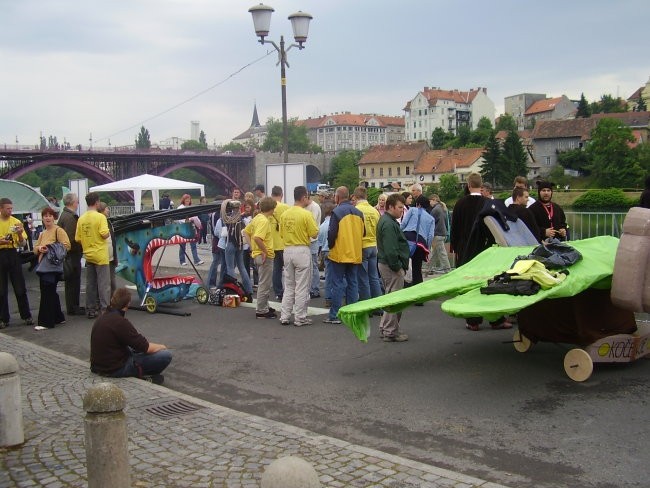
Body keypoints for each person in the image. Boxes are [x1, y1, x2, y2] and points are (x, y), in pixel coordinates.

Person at [450, 173, 511, 331]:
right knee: (490, 282)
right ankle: (496, 319)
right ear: (481, 185)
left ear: (468, 185)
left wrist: (455, 249)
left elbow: (454, 229)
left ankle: (473, 320)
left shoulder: (460, 204)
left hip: (465, 248)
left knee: (469, 284)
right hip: (485, 249)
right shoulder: (487, 204)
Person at [90, 288, 172, 384]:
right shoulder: (120, 322)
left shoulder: (102, 317)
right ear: (127, 304)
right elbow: (145, 347)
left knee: (131, 347)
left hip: (98, 366)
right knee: (165, 355)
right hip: (115, 369)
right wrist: (162, 347)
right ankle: (144, 375)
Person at [279, 186, 319, 327]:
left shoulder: (284, 214)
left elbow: (282, 234)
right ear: (303, 197)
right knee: (301, 287)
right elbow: (314, 233)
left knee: (289, 285)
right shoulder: (306, 214)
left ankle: (284, 316)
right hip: (302, 250)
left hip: (287, 250)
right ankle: (300, 317)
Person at [324, 186, 365, 325]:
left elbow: (331, 234)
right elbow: (363, 233)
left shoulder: (337, 212)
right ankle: (352, 312)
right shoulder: (359, 213)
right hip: (355, 253)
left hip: (340, 254)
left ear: (337, 197)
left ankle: (335, 314)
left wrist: (330, 247)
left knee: (337, 283)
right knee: (353, 282)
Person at [377, 193, 410, 342]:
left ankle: (386, 327)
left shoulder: (387, 220)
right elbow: (391, 249)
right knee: (394, 299)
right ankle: (390, 331)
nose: (402, 211)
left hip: (386, 263)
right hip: (391, 265)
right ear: (390, 207)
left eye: (403, 208)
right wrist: (398, 267)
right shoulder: (389, 224)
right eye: (400, 208)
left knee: (391, 296)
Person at [33, 207, 71, 330]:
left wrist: (50, 248)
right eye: (45, 216)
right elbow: (35, 248)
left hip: (53, 266)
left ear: (54, 217)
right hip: (43, 266)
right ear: (42, 218)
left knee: (47, 293)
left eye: (50, 215)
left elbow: (67, 245)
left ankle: (46, 322)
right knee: (50, 292)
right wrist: (40, 249)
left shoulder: (58, 231)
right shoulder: (42, 233)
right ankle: (58, 317)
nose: (48, 218)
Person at [75, 192, 111, 319]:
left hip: (88, 254)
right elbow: (104, 234)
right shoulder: (100, 218)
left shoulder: (81, 218)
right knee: (103, 284)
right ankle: (105, 308)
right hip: (100, 254)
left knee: (90, 284)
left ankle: (90, 309)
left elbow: (78, 238)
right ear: (97, 202)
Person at [0, 198, 34, 329]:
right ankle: (3, 318)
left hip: (13, 253)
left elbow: (23, 243)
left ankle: (26, 315)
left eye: (11, 208)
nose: (10, 211)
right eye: (7, 208)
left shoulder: (16, 222)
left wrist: (20, 234)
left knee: (19, 286)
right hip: (1, 253)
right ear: (1, 208)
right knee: (1, 289)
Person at [244, 196, 277, 319]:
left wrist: (252, 247)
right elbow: (258, 237)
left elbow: (246, 232)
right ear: (271, 208)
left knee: (263, 281)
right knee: (265, 283)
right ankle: (261, 309)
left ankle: (264, 305)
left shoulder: (257, 218)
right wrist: (264, 250)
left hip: (256, 254)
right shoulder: (264, 221)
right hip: (265, 255)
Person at [353, 187, 382, 310]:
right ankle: (378, 306)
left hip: (362, 246)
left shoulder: (356, 210)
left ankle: (367, 306)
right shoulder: (374, 210)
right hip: (373, 245)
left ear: (355, 197)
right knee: (374, 277)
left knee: (363, 278)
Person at [400, 195, 435, 299]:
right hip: (421, 244)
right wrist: (427, 248)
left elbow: (404, 223)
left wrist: (399, 235)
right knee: (417, 269)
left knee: (403, 266)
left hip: (407, 239)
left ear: (418, 204)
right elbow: (430, 236)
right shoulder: (431, 218)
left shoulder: (412, 210)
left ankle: (403, 292)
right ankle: (418, 297)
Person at [57, 192, 84, 315]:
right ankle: (74, 306)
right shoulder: (71, 217)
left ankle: (72, 306)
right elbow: (72, 238)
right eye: (77, 201)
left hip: (67, 253)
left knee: (70, 281)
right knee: (74, 280)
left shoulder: (63, 215)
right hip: (72, 253)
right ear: (73, 203)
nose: (78, 204)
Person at [222, 199, 253, 302]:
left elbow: (223, 218)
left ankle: (232, 291)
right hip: (240, 245)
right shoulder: (241, 219)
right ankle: (249, 290)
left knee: (230, 267)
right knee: (242, 267)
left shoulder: (229, 219)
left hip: (230, 243)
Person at [270, 186, 289, 300]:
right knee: (288, 269)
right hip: (285, 242)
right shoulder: (285, 207)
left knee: (276, 269)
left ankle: (278, 292)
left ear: (272, 195)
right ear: (281, 195)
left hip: (273, 243)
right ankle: (288, 292)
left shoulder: (269, 207)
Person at [426, 194, 451, 275]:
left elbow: (430, 221)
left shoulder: (435, 210)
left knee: (442, 253)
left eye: (430, 201)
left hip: (437, 233)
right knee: (436, 253)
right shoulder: (443, 208)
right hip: (443, 233)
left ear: (434, 199)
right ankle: (429, 268)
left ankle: (448, 270)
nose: (429, 203)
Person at [177, 194, 204, 266]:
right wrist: (189, 219)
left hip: (191, 227)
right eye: (186, 199)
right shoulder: (180, 208)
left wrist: (196, 221)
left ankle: (196, 260)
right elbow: (180, 219)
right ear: (183, 200)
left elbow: (195, 217)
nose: (188, 201)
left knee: (193, 244)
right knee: (183, 245)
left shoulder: (191, 207)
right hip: (183, 228)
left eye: (189, 199)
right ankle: (182, 260)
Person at [98, 202, 118, 295]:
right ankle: (106, 304)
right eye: (107, 209)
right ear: (102, 210)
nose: (108, 210)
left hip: (110, 256)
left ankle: (112, 302)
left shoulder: (108, 221)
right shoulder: (100, 221)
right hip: (104, 256)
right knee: (106, 282)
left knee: (112, 282)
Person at [317, 203, 334, 307]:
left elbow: (319, 241)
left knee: (328, 276)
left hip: (324, 251)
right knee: (338, 276)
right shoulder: (333, 223)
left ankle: (328, 298)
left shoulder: (322, 225)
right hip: (332, 250)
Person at [305, 195, 322, 298]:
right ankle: (310, 288)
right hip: (306, 240)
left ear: (307, 197)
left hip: (312, 240)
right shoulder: (305, 207)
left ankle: (315, 289)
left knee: (313, 265)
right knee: (308, 265)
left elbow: (312, 223)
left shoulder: (314, 207)